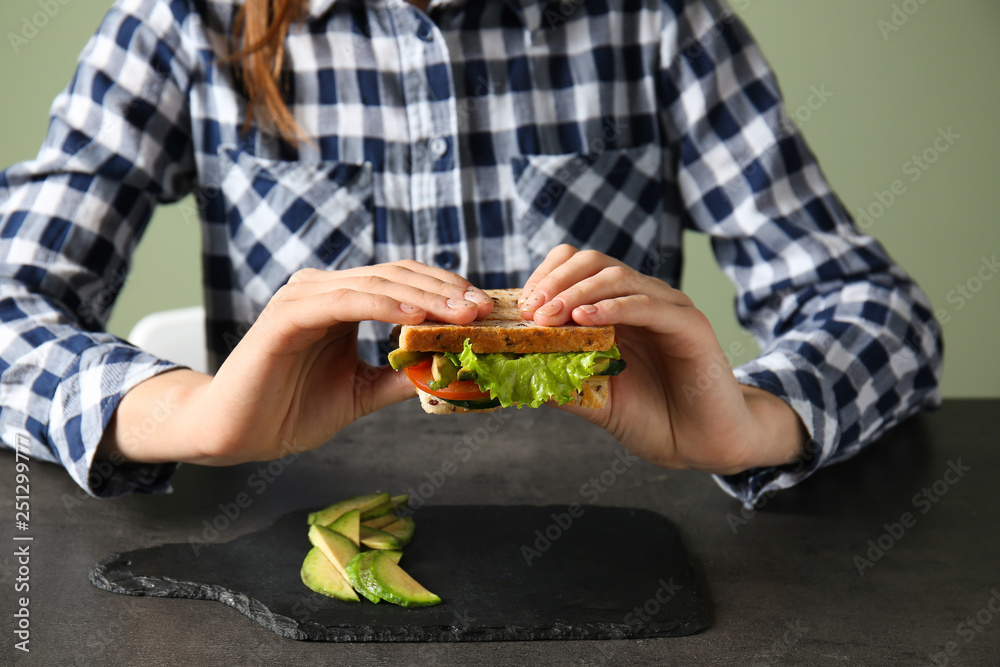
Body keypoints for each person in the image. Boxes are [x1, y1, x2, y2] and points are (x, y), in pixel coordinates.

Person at [0, 0, 941, 506]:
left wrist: (755, 422)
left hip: (625, 530)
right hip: (284, 527)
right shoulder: (179, 24)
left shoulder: (661, 22)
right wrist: (192, 415)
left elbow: (878, 313)